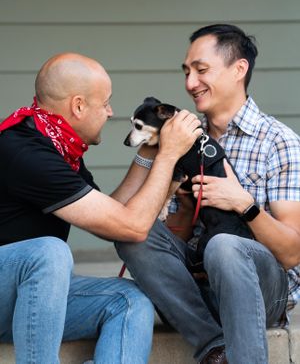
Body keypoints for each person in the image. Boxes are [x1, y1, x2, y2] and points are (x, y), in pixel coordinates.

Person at [0, 52, 202, 364]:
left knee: (130, 300)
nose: (110, 112)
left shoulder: (56, 144)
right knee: (49, 253)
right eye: (105, 102)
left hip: (30, 297)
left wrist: (150, 151)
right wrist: (169, 156)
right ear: (78, 105)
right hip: (8, 290)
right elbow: (131, 227)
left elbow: (111, 213)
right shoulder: (24, 151)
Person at [115, 24, 300, 364]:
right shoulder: (179, 137)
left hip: (263, 292)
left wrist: (244, 204)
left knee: (224, 245)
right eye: (186, 72)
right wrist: (183, 202)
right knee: (132, 232)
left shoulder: (278, 141)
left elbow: (292, 253)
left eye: (201, 70)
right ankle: (215, 348)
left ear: (238, 70)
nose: (189, 84)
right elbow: (161, 235)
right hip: (196, 293)